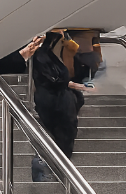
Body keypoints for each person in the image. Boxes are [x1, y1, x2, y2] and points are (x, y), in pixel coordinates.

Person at [32, 29, 92, 182]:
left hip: (62, 102)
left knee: (65, 135)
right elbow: (52, 81)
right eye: (62, 37)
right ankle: (45, 170)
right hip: (52, 102)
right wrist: (76, 86)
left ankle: (57, 170)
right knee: (54, 135)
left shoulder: (53, 56)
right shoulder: (42, 56)